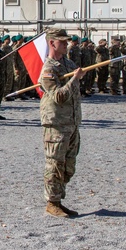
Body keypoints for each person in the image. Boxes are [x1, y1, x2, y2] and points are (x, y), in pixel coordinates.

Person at [38, 27, 84, 218]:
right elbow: (59, 96)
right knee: (55, 164)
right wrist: (74, 79)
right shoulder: (48, 69)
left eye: (67, 42)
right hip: (56, 123)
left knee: (68, 166)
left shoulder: (68, 63)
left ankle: (58, 198)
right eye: (62, 42)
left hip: (71, 122)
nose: (66, 44)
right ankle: (52, 202)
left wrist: (75, 75)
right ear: (52, 43)